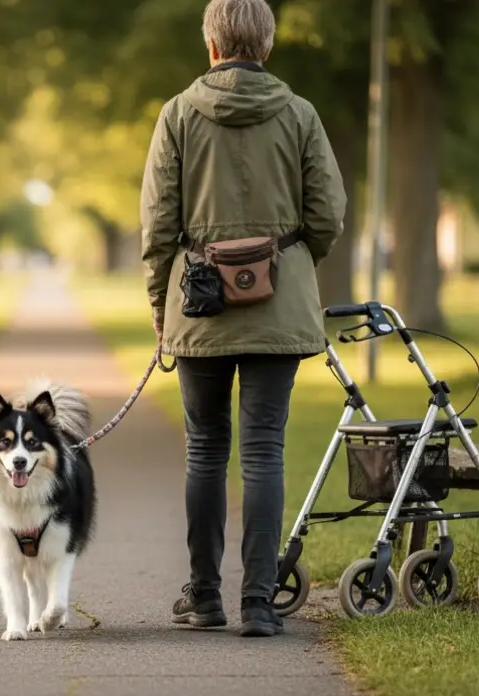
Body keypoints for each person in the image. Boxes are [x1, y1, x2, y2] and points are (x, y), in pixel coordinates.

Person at [140, 0, 347, 637]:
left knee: (205, 450)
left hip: (199, 305)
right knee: (263, 451)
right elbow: (328, 214)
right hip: (277, 306)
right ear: (267, 46)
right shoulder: (300, 113)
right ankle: (259, 602)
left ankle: (205, 597)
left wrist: (160, 305)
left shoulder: (178, 114)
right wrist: (288, 263)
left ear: (211, 45)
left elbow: (158, 225)